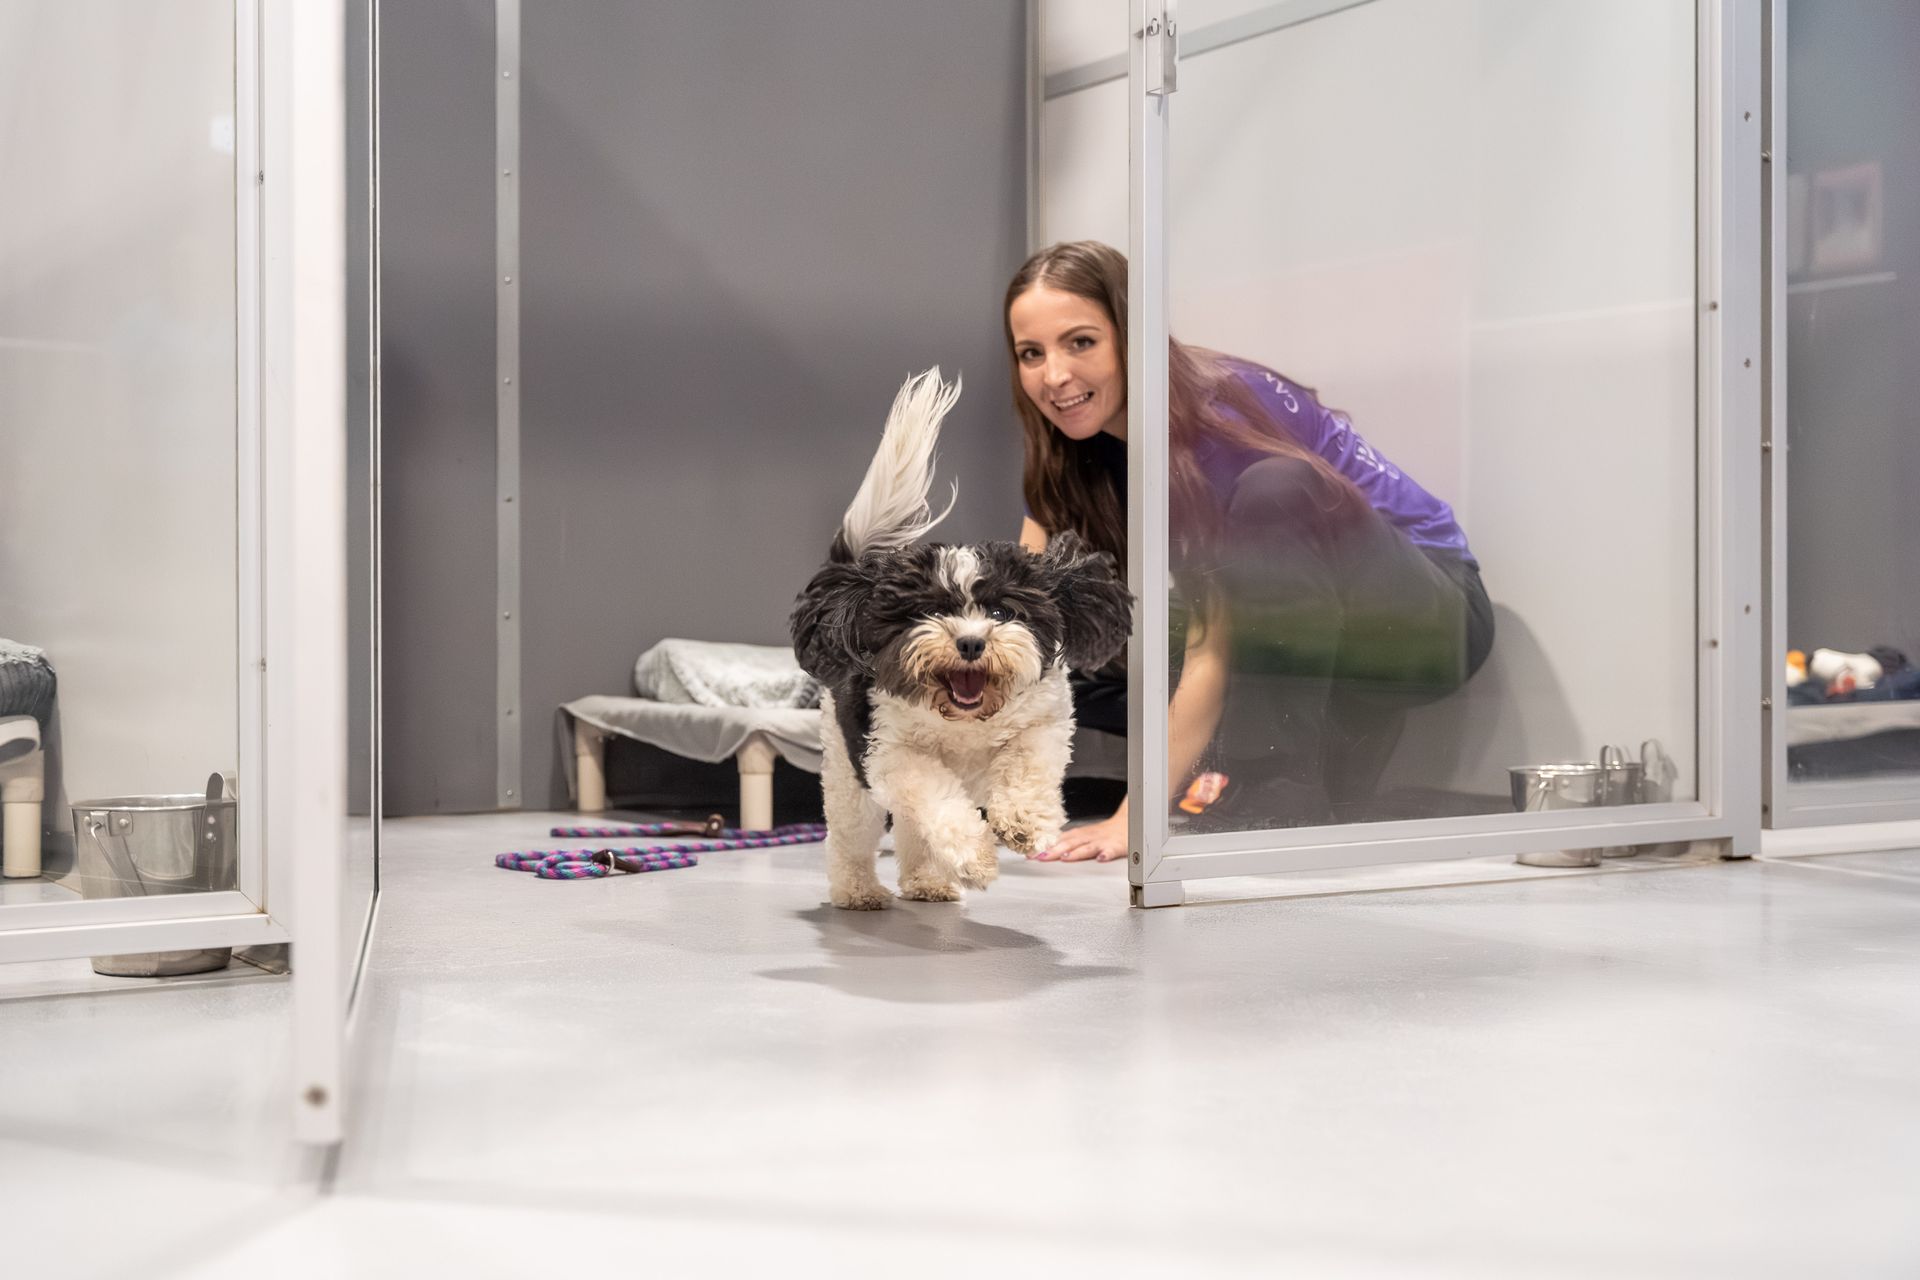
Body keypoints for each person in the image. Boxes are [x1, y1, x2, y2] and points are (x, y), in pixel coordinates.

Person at [1007, 241, 1494, 862]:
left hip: (1433, 618)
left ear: (1132, 335)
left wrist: (1136, 818)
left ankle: (1272, 779)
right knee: (1089, 640)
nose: (1054, 376)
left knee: (1275, 487)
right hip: (1310, 633)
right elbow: (1027, 622)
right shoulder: (1071, 448)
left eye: (1081, 342)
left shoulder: (1220, 414)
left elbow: (1215, 649)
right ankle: (1276, 761)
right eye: (1031, 353)